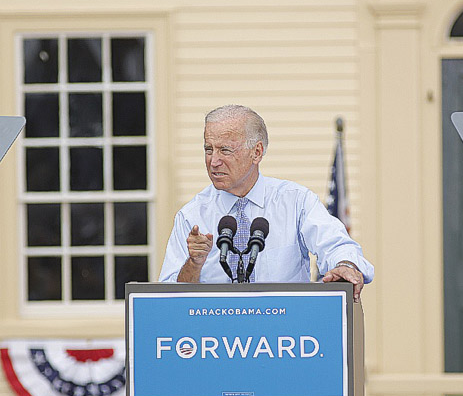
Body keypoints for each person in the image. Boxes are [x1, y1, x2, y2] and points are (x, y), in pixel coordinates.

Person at [158, 105, 374, 301]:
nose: (213, 161)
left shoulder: (295, 201)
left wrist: (346, 265)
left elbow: (337, 244)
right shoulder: (191, 216)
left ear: (257, 152)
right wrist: (194, 263)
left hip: (282, 336)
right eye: (208, 149)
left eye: (225, 150)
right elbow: (168, 298)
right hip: (215, 337)